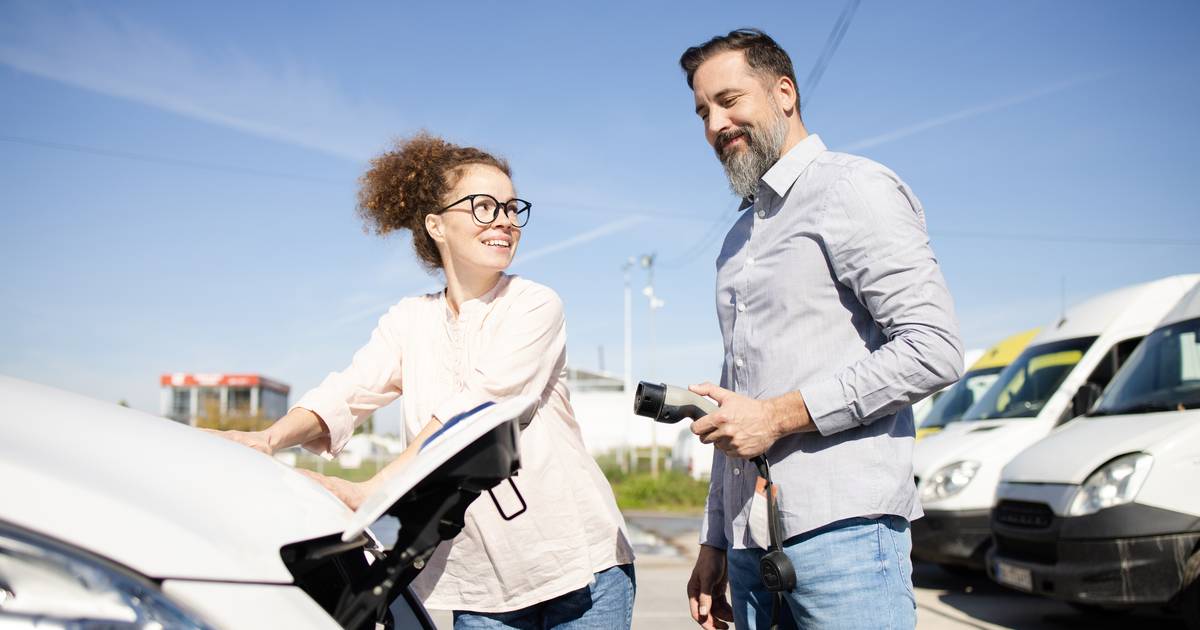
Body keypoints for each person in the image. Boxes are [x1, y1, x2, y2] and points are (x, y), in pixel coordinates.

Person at [216, 133, 636, 629]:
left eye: (510, 207)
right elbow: (349, 391)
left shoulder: (534, 304)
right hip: (482, 584)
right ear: (436, 224)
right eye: (483, 206)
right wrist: (269, 438)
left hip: (579, 567)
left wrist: (377, 489)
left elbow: (479, 408)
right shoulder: (409, 319)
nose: (503, 220)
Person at [677, 29, 964, 630]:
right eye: (703, 111)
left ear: (785, 93)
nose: (714, 125)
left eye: (730, 100)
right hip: (752, 545)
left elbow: (933, 348)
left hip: (846, 542)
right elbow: (740, 403)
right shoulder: (738, 241)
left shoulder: (852, 188)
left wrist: (777, 417)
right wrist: (715, 539)